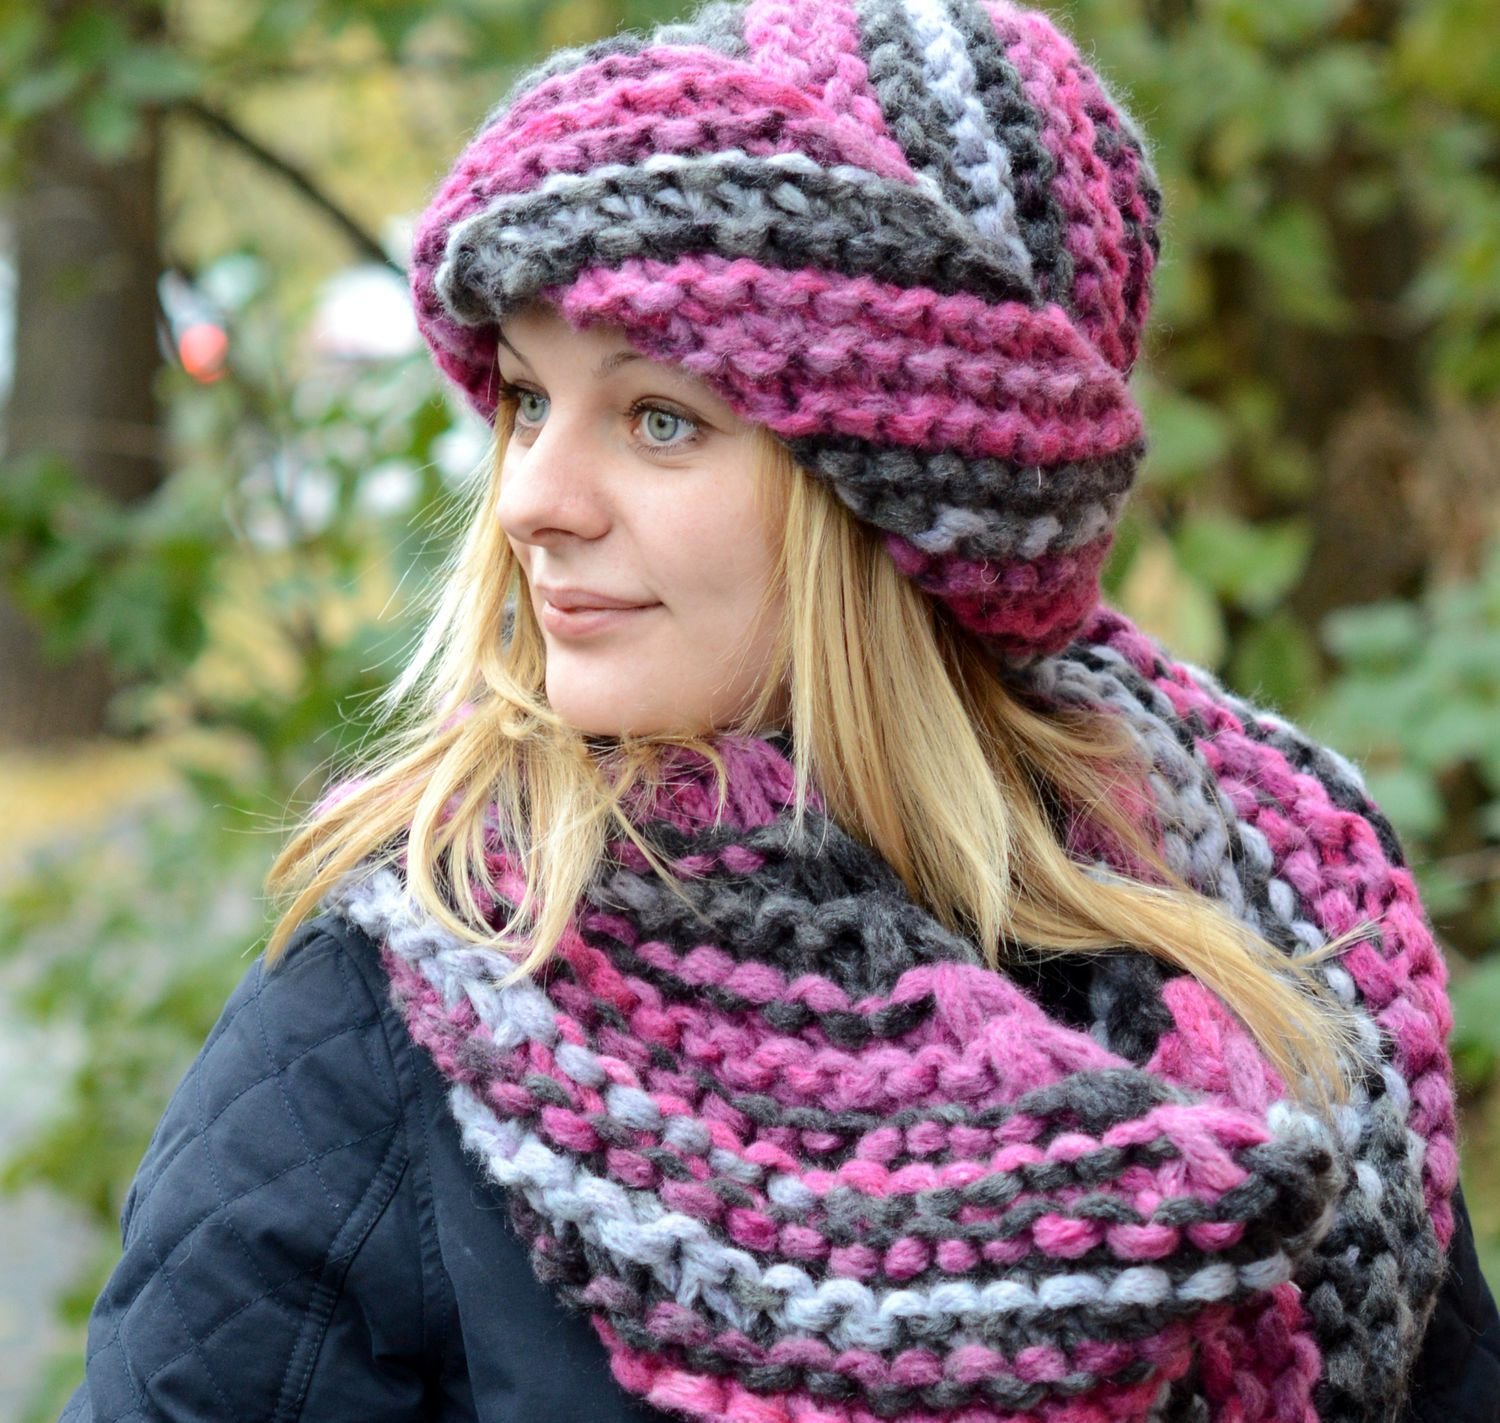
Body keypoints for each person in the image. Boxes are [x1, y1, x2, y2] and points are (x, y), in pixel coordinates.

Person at [58, 0, 1500, 1419]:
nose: (532, 500)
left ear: (907, 505)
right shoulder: (410, 1017)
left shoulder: (1292, 935)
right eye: (526, 400)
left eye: (659, 419)